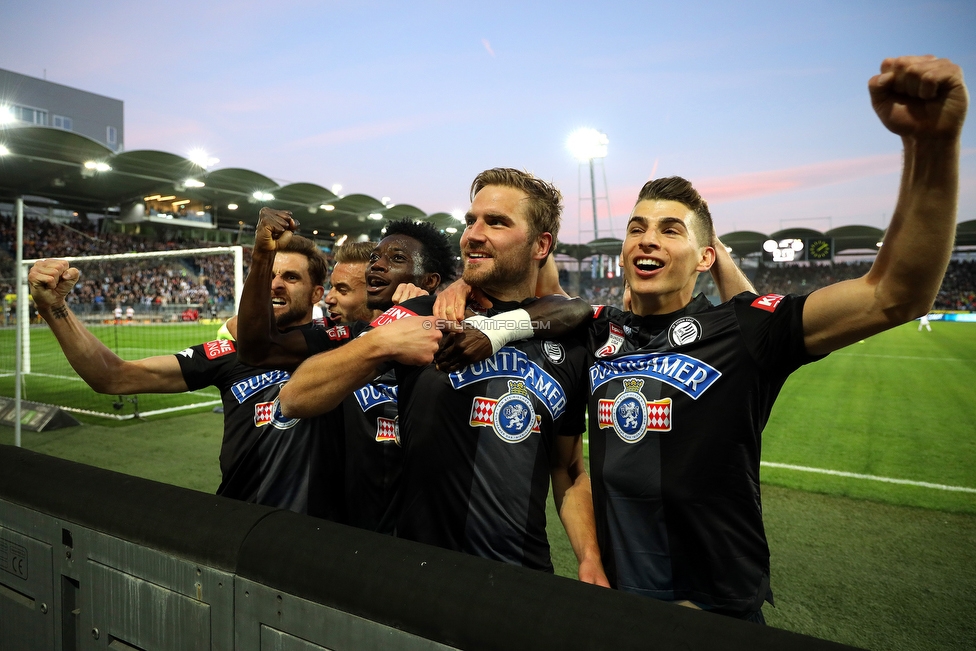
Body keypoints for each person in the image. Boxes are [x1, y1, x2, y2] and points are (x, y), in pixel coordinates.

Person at [440, 55, 968, 623]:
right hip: (622, 607)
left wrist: (932, 147)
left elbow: (895, 294)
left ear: (706, 257)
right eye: (636, 228)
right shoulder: (597, 332)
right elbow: (554, 306)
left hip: (717, 614)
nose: (647, 240)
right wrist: (462, 290)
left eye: (671, 230)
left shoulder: (745, 329)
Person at [259, 169, 607, 585]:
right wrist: (379, 344)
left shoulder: (570, 341)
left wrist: (589, 558)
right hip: (420, 576)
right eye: (471, 221)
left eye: (496, 222)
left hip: (523, 580)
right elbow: (296, 397)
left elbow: (568, 469)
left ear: (541, 245)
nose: (474, 234)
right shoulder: (422, 313)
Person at [27, 235, 346, 520]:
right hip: (240, 520)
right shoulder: (230, 351)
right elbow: (113, 378)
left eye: (291, 277)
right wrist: (55, 307)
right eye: (269, 275)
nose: (275, 284)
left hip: (325, 532)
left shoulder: (344, 345)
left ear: (317, 292)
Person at [237, 214, 454, 533]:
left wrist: (433, 306)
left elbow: (549, 311)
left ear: (431, 281)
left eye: (395, 259)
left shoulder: (459, 336)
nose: (376, 265)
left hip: (427, 541)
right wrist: (260, 254)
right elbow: (259, 351)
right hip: (340, 537)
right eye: (375, 258)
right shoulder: (346, 335)